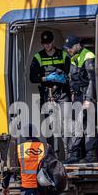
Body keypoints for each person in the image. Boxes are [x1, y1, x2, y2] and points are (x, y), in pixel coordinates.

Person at [2, 124, 57, 195]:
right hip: (45, 189)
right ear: (36, 133)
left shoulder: (19, 149)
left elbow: (9, 170)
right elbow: (55, 167)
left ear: (23, 134)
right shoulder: (46, 147)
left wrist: (5, 186)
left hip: (28, 189)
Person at [30, 31, 71, 159]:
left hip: (63, 93)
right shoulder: (38, 56)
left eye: (48, 43)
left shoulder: (63, 55)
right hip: (48, 95)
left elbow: (71, 73)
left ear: (53, 42)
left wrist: (65, 78)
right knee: (51, 127)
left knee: (65, 125)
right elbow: (32, 78)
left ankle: (69, 156)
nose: (47, 46)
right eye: (44, 44)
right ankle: (53, 158)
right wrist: (47, 78)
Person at [62, 36, 98, 164]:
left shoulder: (88, 56)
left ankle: (91, 155)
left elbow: (92, 80)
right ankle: (75, 154)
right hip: (77, 96)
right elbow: (73, 78)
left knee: (88, 125)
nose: (69, 50)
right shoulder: (74, 58)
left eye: (70, 48)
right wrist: (72, 93)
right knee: (76, 125)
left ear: (77, 45)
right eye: (67, 49)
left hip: (86, 96)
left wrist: (88, 99)